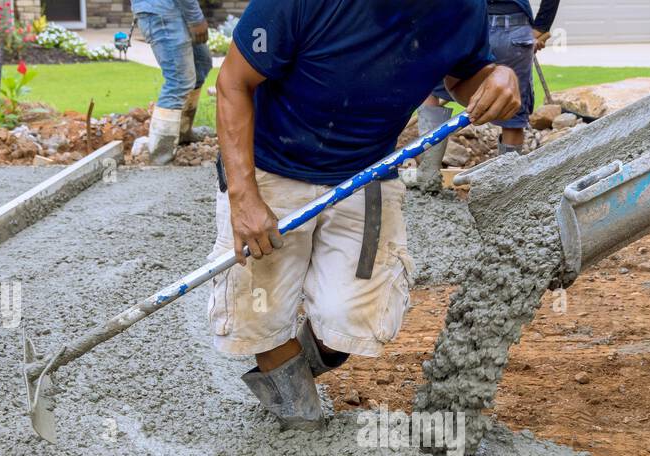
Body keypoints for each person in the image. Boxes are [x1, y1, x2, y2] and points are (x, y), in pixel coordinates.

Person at [212, 0, 520, 430]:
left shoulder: (461, 8)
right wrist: (243, 197)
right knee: (260, 313)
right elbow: (232, 82)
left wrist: (497, 77)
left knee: (352, 321)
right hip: (269, 167)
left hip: (365, 174)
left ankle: (289, 373)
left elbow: (466, 73)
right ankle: (301, 420)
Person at [416, 0, 561, 189]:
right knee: (512, 116)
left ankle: (428, 178)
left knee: (429, 88)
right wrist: (540, 28)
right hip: (512, 28)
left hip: (470, 22)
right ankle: (506, 191)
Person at [133, 0, 215, 165]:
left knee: (201, 64)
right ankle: (160, 154)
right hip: (162, 11)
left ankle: (182, 132)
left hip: (175, 9)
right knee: (179, 79)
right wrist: (196, 18)